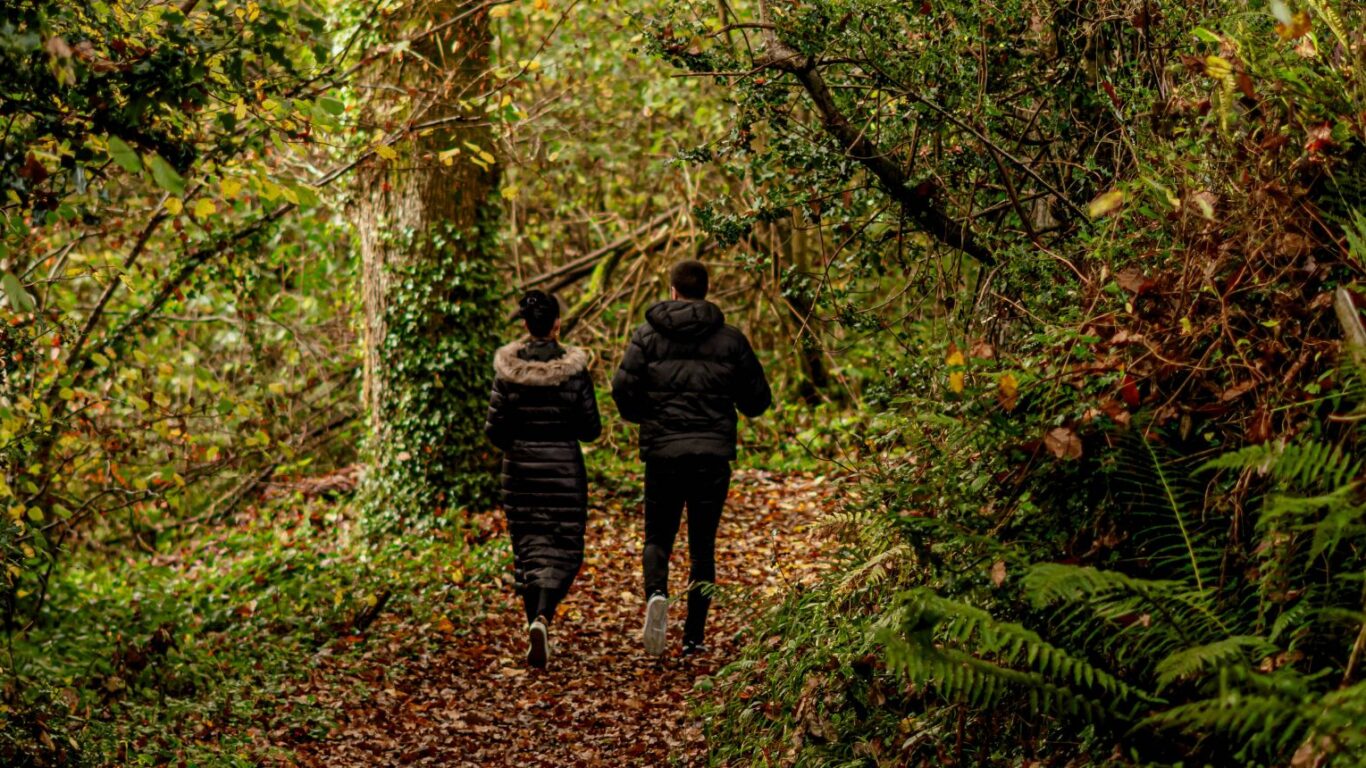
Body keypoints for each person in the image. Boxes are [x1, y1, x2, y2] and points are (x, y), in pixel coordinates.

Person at [611, 260, 772, 656]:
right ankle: (695, 637)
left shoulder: (646, 338)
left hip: (663, 454)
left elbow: (622, 390)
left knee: (657, 537)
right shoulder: (731, 341)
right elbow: (758, 400)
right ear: (705, 291)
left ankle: (657, 595)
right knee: (703, 547)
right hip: (711, 457)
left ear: (672, 291)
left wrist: (644, 417)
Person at [485, 290, 601, 669]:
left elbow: (495, 432)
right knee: (566, 548)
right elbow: (590, 429)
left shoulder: (507, 372)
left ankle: (533, 623)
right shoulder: (574, 370)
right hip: (564, 471)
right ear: (557, 325)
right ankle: (543, 618)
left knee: (527, 547)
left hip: (518, 471)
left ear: (524, 325)